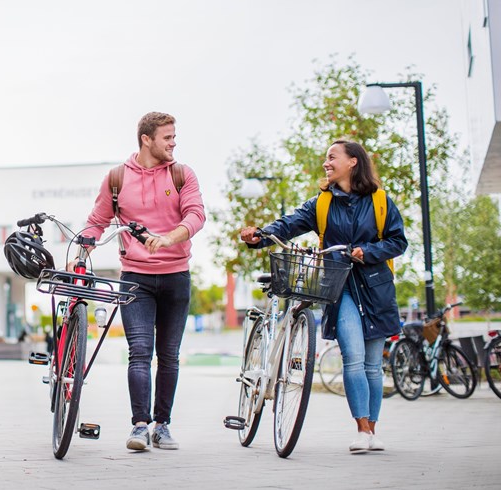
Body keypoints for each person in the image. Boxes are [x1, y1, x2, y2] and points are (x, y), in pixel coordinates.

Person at [240, 139, 407, 453]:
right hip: (339, 286)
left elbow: (398, 242)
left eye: (332, 157)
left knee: (373, 365)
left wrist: (367, 251)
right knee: (353, 358)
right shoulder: (322, 203)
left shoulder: (381, 201)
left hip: (375, 289)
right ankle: (361, 428)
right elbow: (288, 224)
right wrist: (259, 235)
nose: (326, 163)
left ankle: (372, 430)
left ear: (353, 161)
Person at [82, 112, 206, 451]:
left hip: (176, 275)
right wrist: (82, 248)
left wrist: (169, 238)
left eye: (174, 136)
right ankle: (139, 426)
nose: (173, 143)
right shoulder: (117, 178)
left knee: (169, 354)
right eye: (167, 137)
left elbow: (196, 215)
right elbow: (98, 220)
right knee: (139, 352)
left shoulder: (182, 174)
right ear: (146, 139)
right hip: (135, 277)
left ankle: (161, 425)